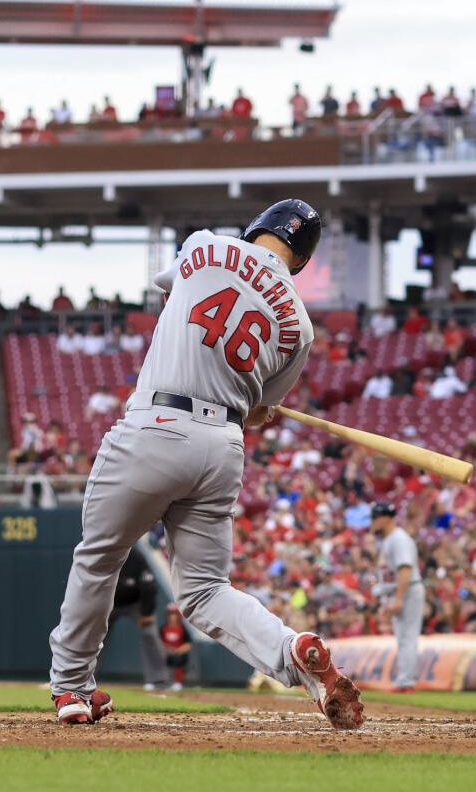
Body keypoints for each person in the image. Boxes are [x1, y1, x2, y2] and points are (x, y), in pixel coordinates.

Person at [48, 198, 363, 729]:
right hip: (220, 446)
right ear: (303, 261)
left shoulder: (204, 245)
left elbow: (174, 294)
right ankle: (291, 650)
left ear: (257, 227)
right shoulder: (301, 328)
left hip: (156, 423)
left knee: (100, 559)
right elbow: (260, 410)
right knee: (205, 591)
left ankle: (73, 689)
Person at [371, 502, 423, 692]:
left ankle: (406, 681)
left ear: (385, 518)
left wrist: (399, 598)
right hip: (399, 590)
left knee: (407, 637)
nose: (372, 523)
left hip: (408, 589)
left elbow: (405, 570)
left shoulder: (399, 538)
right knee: (403, 638)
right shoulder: (388, 540)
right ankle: (404, 679)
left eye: (375, 518)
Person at [108, 549, 170, 691]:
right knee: (92, 637)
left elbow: (148, 585)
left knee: (150, 633)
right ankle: (82, 679)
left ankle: (158, 679)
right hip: (108, 604)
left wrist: (147, 613)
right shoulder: (103, 554)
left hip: (135, 603)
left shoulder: (136, 556)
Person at [160, 603, 191, 690]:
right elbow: (159, 643)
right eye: (170, 614)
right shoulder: (163, 628)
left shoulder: (182, 628)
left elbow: (188, 644)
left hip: (178, 654)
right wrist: (167, 649)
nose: (172, 616)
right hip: (166, 653)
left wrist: (178, 650)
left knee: (178, 659)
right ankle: (163, 681)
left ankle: (178, 682)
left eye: (174, 614)